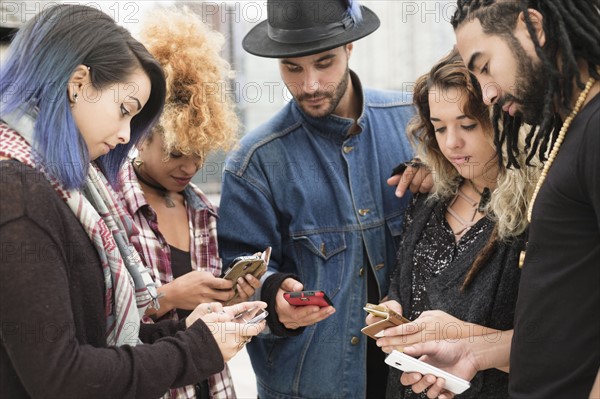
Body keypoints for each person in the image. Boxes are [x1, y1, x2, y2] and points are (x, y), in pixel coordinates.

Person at [0, 5, 265, 398]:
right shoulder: (19, 193)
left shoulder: (64, 189)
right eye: (124, 110)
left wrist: (187, 330)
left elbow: (94, 336)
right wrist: (195, 347)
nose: (126, 135)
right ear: (78, 84)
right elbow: (62, 377)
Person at [217, 0, 432, 397]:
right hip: (311, 385)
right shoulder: (253, 163)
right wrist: (272, 294)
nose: (310, 84)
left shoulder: (418, 126)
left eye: (324, 62)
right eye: (292, 68)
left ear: (350, 48)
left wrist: (447, 180)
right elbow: (236, 273)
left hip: (416, 379)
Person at [400, 1, 600, 398]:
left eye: (486, 65)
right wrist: (473, 352)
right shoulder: (573, 129)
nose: (488, 92)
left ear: (534, 28)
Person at [365, 49, 538, 399]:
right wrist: (392, 311)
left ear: (505, 118)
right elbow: (404, 286)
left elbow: (559, 346)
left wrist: (467, 341)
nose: (451, 143)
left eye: (468, 125)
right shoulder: (429, 197)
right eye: (439, 127)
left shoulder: (538, 211)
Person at [117, 7, 262, 399]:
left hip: (213, 386)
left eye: (200, 153)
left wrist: (232, 296)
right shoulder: (111, 210)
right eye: (178, 152)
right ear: (141, 135)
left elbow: (210, 320)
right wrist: (168, 297)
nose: (191, 166)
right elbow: (99, 325)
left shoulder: (204, 212)